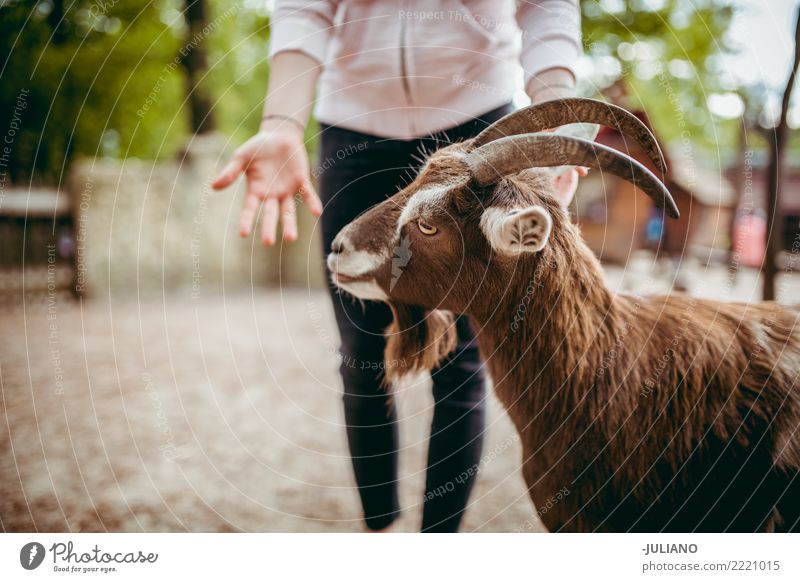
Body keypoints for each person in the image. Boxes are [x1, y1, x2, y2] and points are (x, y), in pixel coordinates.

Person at [212, 0, 585, 532]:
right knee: (361, 354)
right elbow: (303, 7)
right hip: (355, 130)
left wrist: (551, 117)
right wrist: (281, 122)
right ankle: (381, 534)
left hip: (477, 126)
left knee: (460, 360)